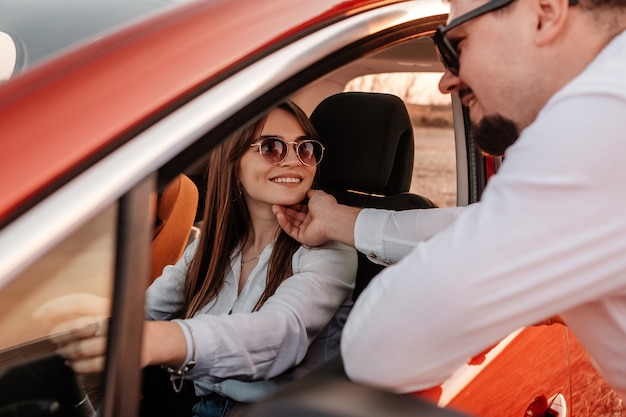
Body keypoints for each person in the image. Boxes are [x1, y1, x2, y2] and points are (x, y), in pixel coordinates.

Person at [273, 0, 626, 401]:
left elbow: (376, 348)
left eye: (454, 44)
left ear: (544, 12)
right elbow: (485, 225)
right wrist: (339, 222)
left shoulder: (598, 121)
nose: (445, 82)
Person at [37, 101, 357, 417]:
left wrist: (157, 341)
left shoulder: (330, 251)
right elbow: (148, 309)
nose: (294, 161)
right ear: (233, 165)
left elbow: (279, 334)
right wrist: (89, 325)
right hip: (203, 409)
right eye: (272, 147)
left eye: (305, 149)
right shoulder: (213, 245)